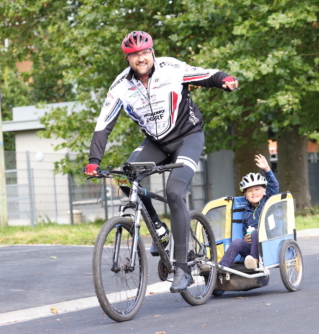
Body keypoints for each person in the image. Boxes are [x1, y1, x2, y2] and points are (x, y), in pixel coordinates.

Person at [84, 31, 239, 292]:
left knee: (174, 191)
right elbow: (103, 125)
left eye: (145, 53)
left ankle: (183, 268)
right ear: (128, 59)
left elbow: (206, 74)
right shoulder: (121, 85)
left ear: (152, 53)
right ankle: (158, 228)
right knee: (124, 177)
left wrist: (225, 80)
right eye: (134, 55)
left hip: (188, 137)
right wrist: (93, 160)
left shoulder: (172, 69)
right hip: (156, 143)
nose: (140, 58)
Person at [219, 154, 279, 270]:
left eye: (257, 189)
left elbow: (274, 186)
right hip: (250, 251)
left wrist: (266, 168)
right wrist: (244, 239)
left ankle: (255, 261)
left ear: (264, 192)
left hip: (267, 246)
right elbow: (244, 233)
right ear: (245, 196)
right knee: (237, 242)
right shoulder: (245, 213)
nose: (254, 193)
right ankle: (222, 268)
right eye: (250, 191)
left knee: (257, 232)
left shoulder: (267, 202)